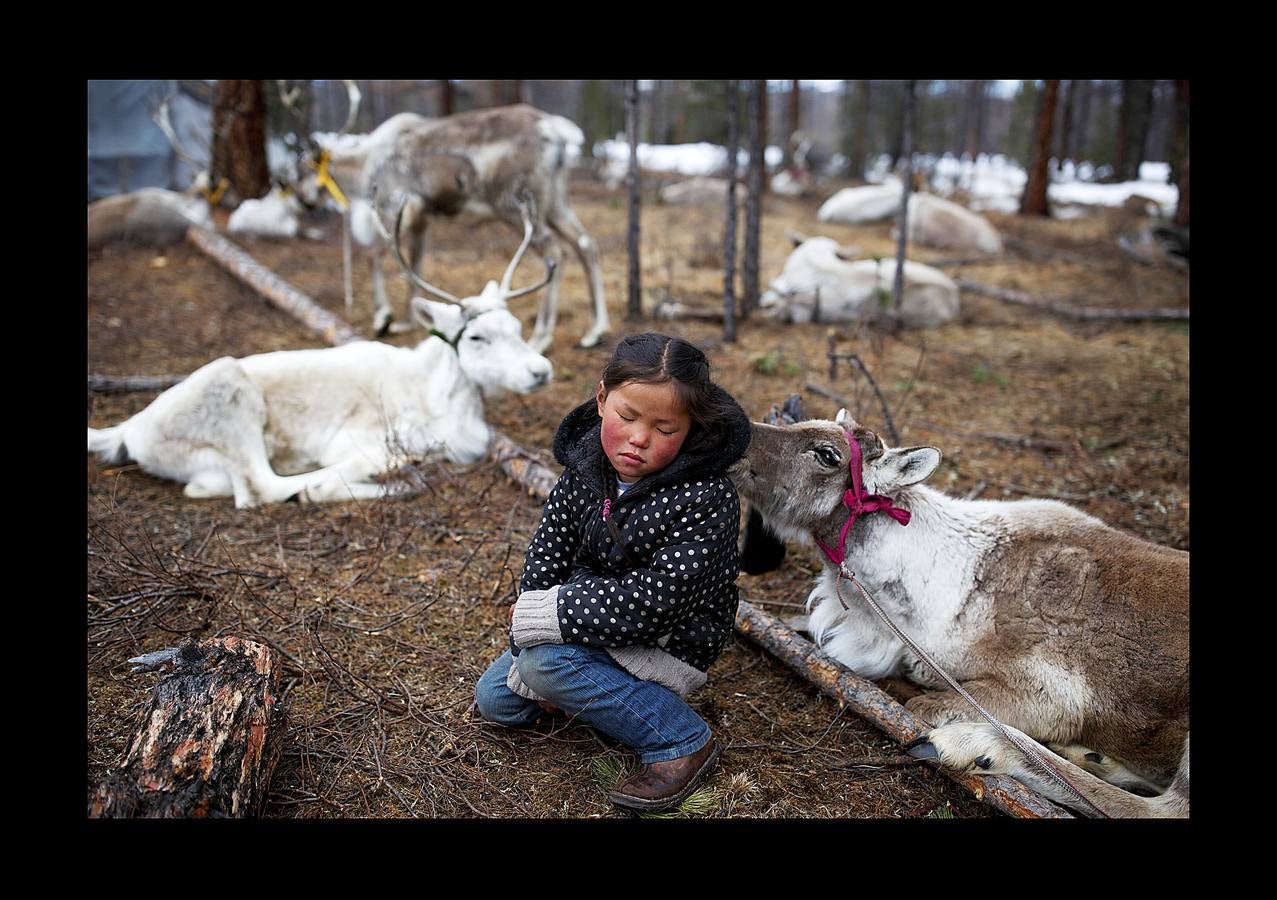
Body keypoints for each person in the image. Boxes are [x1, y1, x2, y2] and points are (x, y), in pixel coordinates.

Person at [474, 332, 751, 812]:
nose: (639, 439)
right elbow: (548, 552)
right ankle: (584, 688)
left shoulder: (707, 497)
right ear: (602, 399)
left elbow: (656, 601)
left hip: (667, 641)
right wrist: (530, 637)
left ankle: (681, 740)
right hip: (586, 624)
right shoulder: (586, 467)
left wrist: (549, 624)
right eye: (626, 417)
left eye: (665, 429)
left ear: (691, 428)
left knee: (545, 668)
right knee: (497, 700)